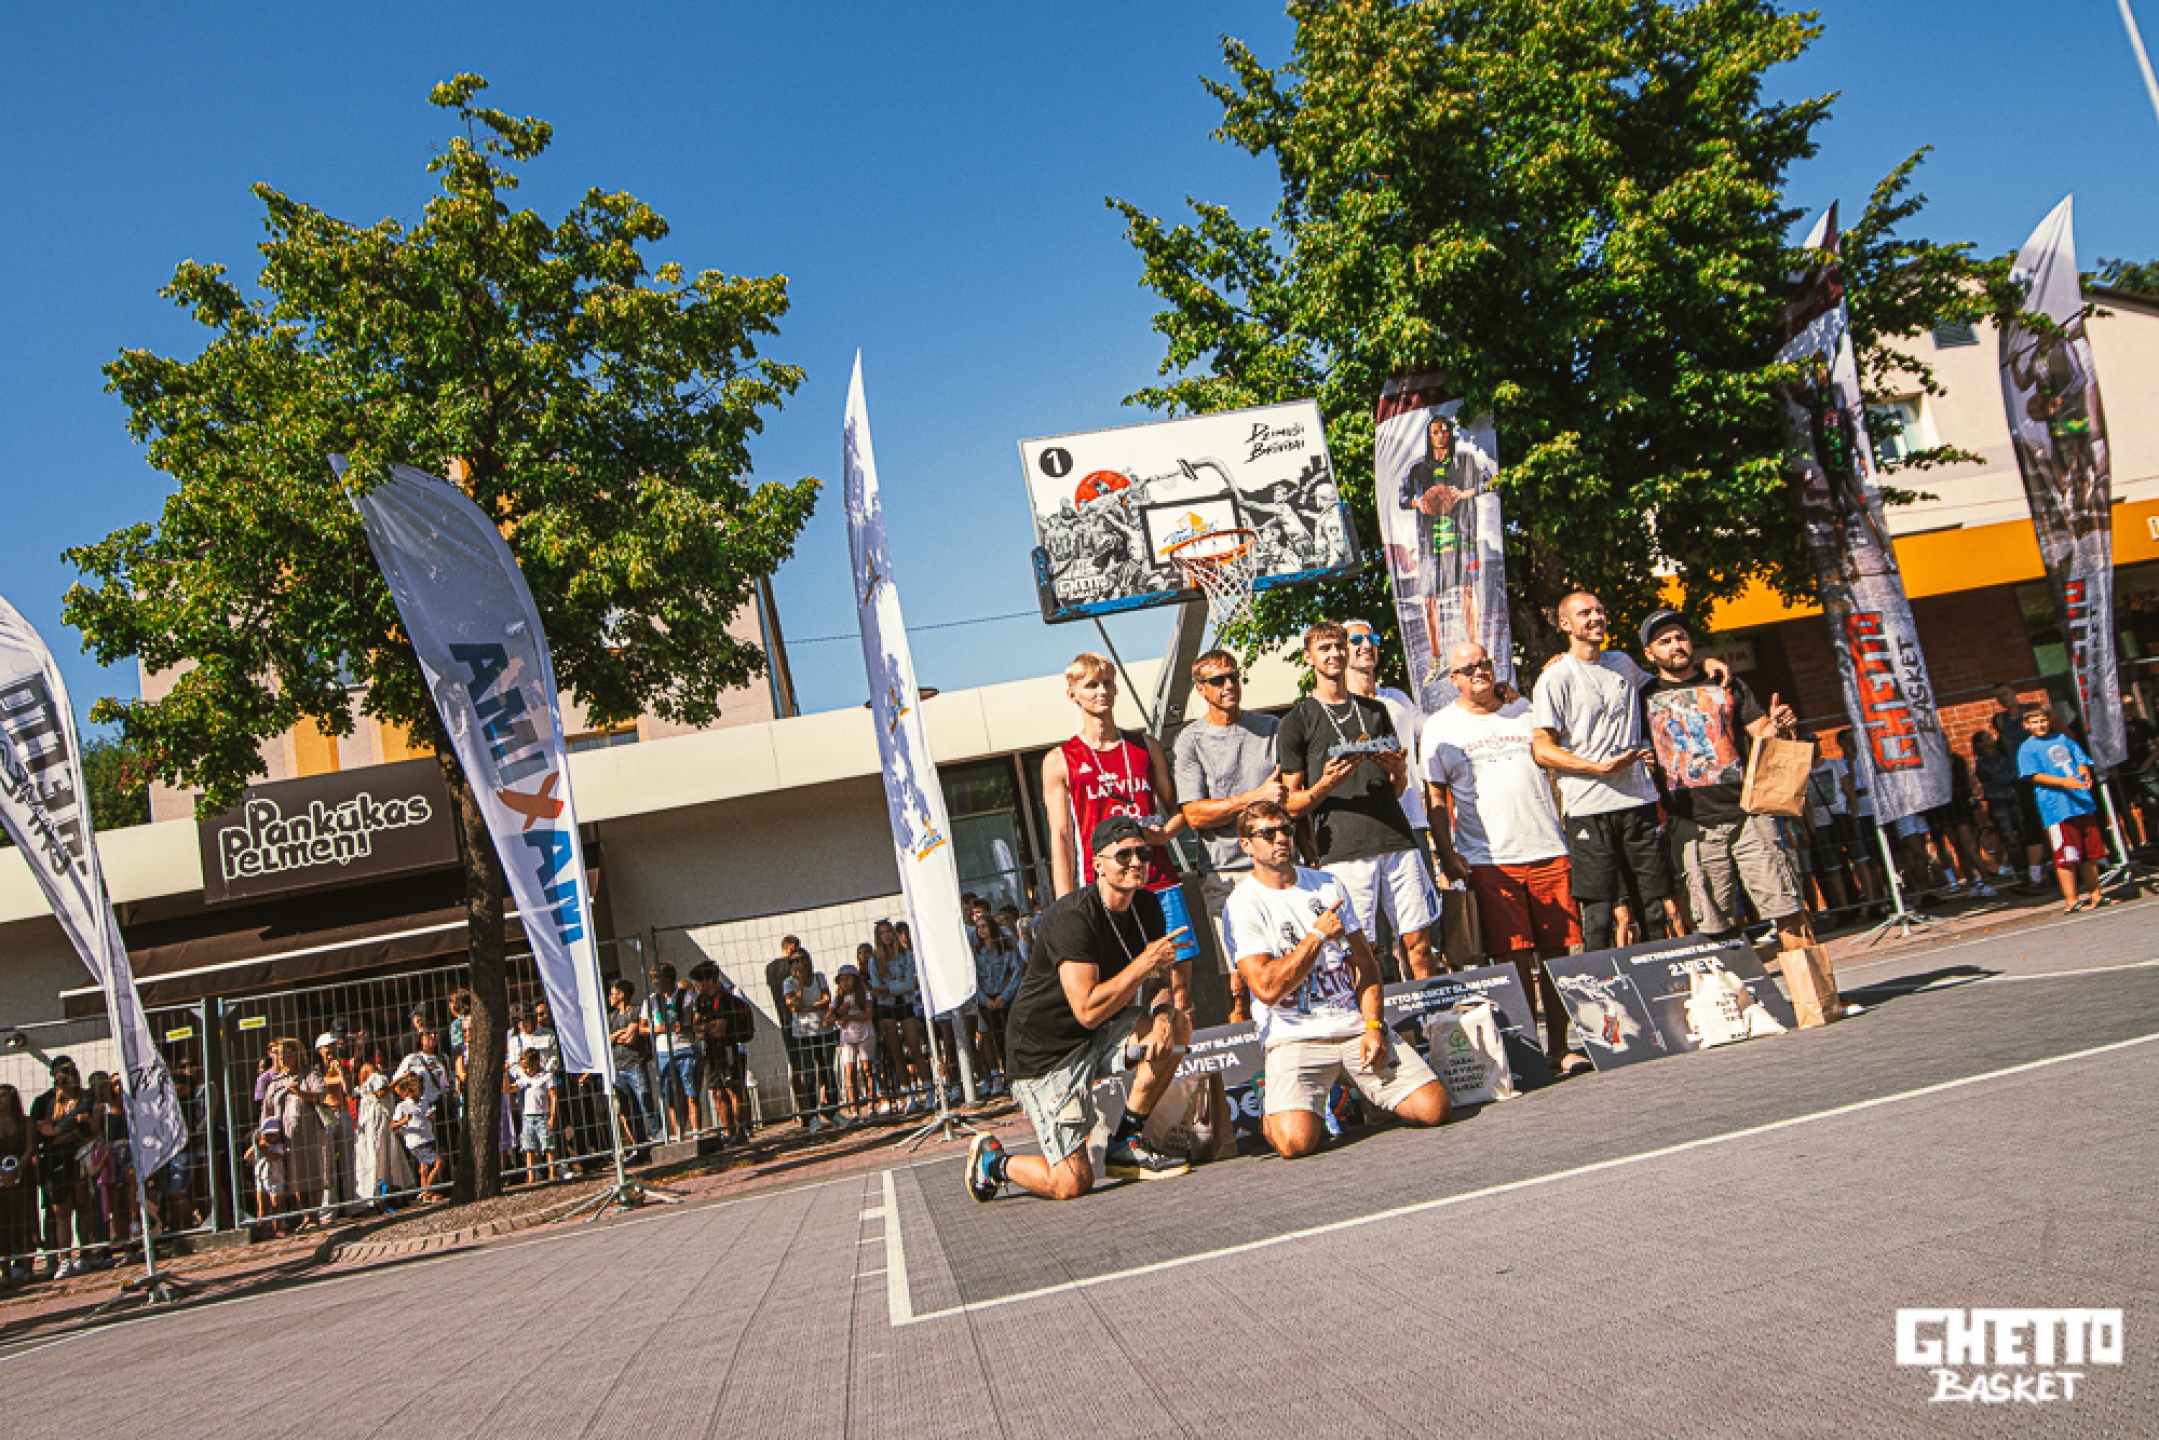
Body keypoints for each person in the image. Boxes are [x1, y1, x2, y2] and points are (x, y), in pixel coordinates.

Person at [966, 816, 1195, 1202]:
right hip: (1046, 1053)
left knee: (1177, 1025)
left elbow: (1158, 979)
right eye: (1124, 855)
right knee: (1071, 1183)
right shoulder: (1071, 917)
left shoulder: (1147, 905)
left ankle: (1126, 1140)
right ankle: (994, 1162)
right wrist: (1145, 962)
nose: (1136, 862)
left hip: (1098, 1033)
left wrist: (1160, 1017)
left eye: (1143, 853)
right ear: (1098, 864)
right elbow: (1087, 1009)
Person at [1224, 802, 1449, 1158]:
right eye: (1268, 833)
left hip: (1353, 1027)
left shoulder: (1327, 883)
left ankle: (1354, 1093)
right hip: (1295, 1035)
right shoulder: (1242, 904)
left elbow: (1366, 965)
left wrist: (1374, 1026)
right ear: (1246, 844)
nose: (1281, 838)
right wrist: (1315, 937)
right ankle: (1277, 1104)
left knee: (1433, 1109)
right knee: (1295, 1144)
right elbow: (1266, 989)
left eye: (1286, 829)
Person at [1421, 641, 1585, 1071]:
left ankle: (1560, 1047)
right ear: (1453, 679)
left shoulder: (1525, 710)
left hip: (1548, 848)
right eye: (1467, 668)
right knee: (1513, 959)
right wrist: (1447, 853)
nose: (1479, 671)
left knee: (1557, 954)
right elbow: (1434, 795)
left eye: (1484, 663)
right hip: (1489, 859)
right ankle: (1528, 1056)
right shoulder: (1439, 726)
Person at [1636, 610, 1814, 952]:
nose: (1676, 645)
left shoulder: (1726, 684)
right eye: (1664, 641)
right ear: (1649, 653)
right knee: (1712, 928)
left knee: (1787, 908)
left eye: (1681, 637)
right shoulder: (1641, 696)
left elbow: (1762, 732)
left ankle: (1813, 987)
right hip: (1692, 824)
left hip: (1749, 814)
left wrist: (1780, 725)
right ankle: (1733, 988)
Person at [1277, 621, 1442, 978]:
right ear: (1308, 658)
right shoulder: (1297, 720)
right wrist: (1325, 785)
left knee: (1419, 945)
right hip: (1343, 850)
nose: (1335, 653)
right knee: (1360, 952)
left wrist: (1399, 771)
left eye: (1340, 646)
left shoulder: (1376, 711)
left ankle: (1431, 1011)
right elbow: (1289, 805)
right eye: (1325, 648)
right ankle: (1371, 1015)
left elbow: (1395, 789)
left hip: (1396, 838)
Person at [1531, 591, 1688, 949]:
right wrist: (1597, 768)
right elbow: (1541, 749)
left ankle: (1660, 974)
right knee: (1600, 912)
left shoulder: (1623, 663)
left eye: (1599, 611)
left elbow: (1666, 688)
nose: (1596, 618)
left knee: (1654, 905)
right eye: (1584, 613)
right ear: (1564, 624)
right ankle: (1599, 982)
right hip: (1589, 806)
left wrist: (1706, 666)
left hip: (1637, 799)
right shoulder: (1556, 676)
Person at [1171, 647, 1286, 1020]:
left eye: (1233, 676)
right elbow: (1193, 814)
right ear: (1200, 688)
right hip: (1225, 873)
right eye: (1217, 680)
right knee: (1238, 983)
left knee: (1289, 968)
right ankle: (1247, 1051)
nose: (1229, 685)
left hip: (1278, 866)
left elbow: (1289, 795)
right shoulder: (1191, 740)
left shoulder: (1270, 728)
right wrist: (1255, 797)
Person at [1041, 653, 1186, 898]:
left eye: (1107, 683)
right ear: (1072, 695)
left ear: (1116, 688)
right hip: (1103, 887)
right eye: (1091, 685)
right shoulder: (1060, 759)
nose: (1102, 691)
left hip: (1158, 880)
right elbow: (1061, 837)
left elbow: (1179, 809)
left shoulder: (1147, 746)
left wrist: (1164, 834)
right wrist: (1064, 901)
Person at [2017, 704, 2106, 913]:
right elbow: (2034, 775)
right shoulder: (2027, 748)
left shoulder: (2063, 739)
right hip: (2057, 808)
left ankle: (2096, 894)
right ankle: (2071, 899)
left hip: (2081, 803)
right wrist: (2065, 782)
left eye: (2043, 720)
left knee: (2089, 854)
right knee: (2066, 856)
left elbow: (2079, 758)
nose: (2040, 725)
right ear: (2026, 725)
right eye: (2035, 722)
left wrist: (2083, 771)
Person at [262, 1038, 330, 1231]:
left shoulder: (311, 1074)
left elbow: (320, 1095)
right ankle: (306, 1216)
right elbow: (267, 1109)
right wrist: (265, 1135)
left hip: (311, 1131)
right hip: (288, 1135)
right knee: (296, 1173)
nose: (283, 1057)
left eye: (287, 1053)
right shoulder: (276, 1081)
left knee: (313, 1172)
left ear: (297, 1054)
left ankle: (314, 1215)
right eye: (279, 1054)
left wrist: (301, 1093)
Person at [31, 1057, 90, 1277]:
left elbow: (83, 1124)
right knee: (58, 1210)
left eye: (67, 1076)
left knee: (83, 1206)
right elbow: (42, 1132)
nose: (63, 1082)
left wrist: (59, 1132)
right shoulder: (45, 1102)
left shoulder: (84, 1097)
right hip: (55, 1160)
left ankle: (85, 1254)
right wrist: (59, 1132)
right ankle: (61, 1258)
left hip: (79, 1157)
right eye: (59, 1077)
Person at [1988, 683, 2049, 886]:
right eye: (1998, 696)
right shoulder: (2001, 720)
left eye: (2005, 694)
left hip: (2044, 774)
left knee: (2052, 821)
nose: (2003, 699)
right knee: (2031, 825)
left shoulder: (2030, 712)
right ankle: (2036, 875)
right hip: (2022, 779)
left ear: (2014, 692)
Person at [868, 918, 928, 1111]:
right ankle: (908, 1093)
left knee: (915, 1047)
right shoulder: (875, 961)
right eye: (882, 933)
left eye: (888, 932)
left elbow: (910, 983)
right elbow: (876, 988)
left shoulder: (906, 956)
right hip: (886, 1007)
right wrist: (897, 984)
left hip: (906, 1003)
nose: (886, 936)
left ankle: (928, 1090)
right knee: (896, 1052)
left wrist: (889, 987)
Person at [692, 962, 753, 1142]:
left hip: (727, 1048)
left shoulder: (724, 999)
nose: (698, 985)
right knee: (716, 1091)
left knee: (732, 1088)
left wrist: (705, 1026)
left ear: (710, 980)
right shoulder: (701, 1000)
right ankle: (728, 1131)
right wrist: (706, 1026)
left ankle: (740, 1129)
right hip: (711, 1051)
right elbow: (696, 1030)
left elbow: (720, 1029)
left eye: (700, 981)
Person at [782, 951, 838, 1131]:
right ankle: (812, 1115)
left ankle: (834, 1110)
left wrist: (806, 1008)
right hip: (803, 1033)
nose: (798, 964)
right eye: (794, 961)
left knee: (827, 1070)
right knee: (808, 1074)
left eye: (801, 959)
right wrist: (799, 983)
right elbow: (793, 1005)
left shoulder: (819, 977)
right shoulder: (789, 983)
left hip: (823, 1030)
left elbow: (826, 999)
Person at [646, 962, 702, 1139]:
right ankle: (679, 1135)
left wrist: (686, 1027)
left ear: (668, 978)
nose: (654, 982)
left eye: (657, 978)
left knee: (691, 1093)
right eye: (652, 978)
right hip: (663, 1050)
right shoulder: (651, 1001)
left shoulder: (688, 997)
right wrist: (657, 1029)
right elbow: (641, 1028)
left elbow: (700, 1022)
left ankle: (696, 1132)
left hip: (685, 1047)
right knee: (670, 1096)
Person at [971, 912, 1023, 1092]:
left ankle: (1014, 1072)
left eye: (984, 927)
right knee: (996, 1038)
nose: (981, 931)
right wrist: (984, 999)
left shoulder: (1004, 946)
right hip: (987, 998)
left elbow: (1016, 971)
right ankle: (1006, 1075)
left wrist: (1005, 996)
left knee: (1010, 1036)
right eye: (978, 927)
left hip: (1004, 995)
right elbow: (972, 977)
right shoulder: (976, 952)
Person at [353, 1071, 414, 1209]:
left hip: (382, 1122)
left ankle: (391, 1192)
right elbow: (380, 1093)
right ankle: (377, 1195)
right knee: (378, 1156)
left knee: (388, 1155)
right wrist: (400, 1078)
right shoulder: (371, 1078)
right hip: (376, 1123)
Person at [314, 1032, 358, 1222]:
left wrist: (341, 1072)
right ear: (319, 1050)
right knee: (327, 1163)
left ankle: (351, 1204)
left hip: (342, 1113)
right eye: (327, 1047)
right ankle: (327, 1210)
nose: (330, 1050)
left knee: (348, 1160)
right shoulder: (316, 1070)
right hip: (326, 1115)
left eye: (333, 1046)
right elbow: (320, 1088)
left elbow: (348, 1090)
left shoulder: (343, 1066)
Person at [606, 979, 653, 1147]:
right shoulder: (611, 1017)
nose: (610, 997)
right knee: (627, 1110)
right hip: (618, 1067)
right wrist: (620, 1032)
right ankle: (640, 1145)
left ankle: (658, 1137)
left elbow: (631, 1038)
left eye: (612, 993)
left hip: (634, 1065)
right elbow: (606, 1039)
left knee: (645, 1103)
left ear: (622, 994)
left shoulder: (635, 1011)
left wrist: (616, 1037)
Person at [830, 963, 879, 1121]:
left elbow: (868, 1014)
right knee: (849, 1072)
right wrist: (839, 1014)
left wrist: (848, 1016)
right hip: (847, 1037)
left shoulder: (865, 995)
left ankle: (871, 1106)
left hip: (865, 1033)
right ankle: (854, 1109)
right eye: (841, 980)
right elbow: (830, 1018)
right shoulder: (838, 999)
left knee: (867, 1070)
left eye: (848, 979)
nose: (844, 983)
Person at [0, 1084, 38, 1281]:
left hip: (23, 1178)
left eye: (3, 1095)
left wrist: (16, 1170)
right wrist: (3, 1174)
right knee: (3, 1222)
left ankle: (28, 1269)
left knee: (25, 1220)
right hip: (1, 1181)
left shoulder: (25, 1122)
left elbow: (30, 1148)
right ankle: (5, 1273)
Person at [508, 1048, 561, 1182]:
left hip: (543, 1114)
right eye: (524, 1068)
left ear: (536, 1063)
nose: (527, 1070)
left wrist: (552, 1116)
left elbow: (553, 1097)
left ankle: (552, 1173)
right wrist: (504, 1073)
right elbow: (508, 1088)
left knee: (548, 1146)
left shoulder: (546, 1076)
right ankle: (531, 1176)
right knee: (529, 1147)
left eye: (529, 1067)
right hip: (528, 1116)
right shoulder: (524, 1079)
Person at [392, 1073, 444, 1195]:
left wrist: (431, 1117)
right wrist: (404, 1120)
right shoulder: (403, 1106)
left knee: (424, 1168)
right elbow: (393, 1125)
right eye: (421, 1088)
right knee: (439, 1162)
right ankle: (427, 1190)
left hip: (428, 1137)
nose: (423, 1090)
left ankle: (426, 1194)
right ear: (411, 1089)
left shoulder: (423, 1102)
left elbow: (430, 1116)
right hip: (416, 1141)